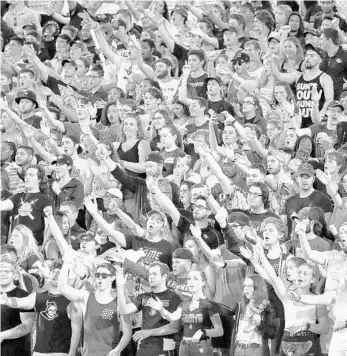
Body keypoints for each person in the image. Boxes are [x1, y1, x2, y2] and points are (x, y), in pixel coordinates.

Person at [0, 259, 83, 356]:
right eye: (53, 271)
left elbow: (77, 332)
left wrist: (71, 354)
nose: (56, 274)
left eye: (59, 272)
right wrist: (7, 300)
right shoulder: (38, 296)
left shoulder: (72, 302)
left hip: (61, 353)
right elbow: (21, 302)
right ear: (48, 273)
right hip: (39, 353)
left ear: (67, 276)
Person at [58, 255, 132, 356]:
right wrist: (66, 262)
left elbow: (127, 333)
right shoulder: (87, 296)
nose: (100, 278)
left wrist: (118, 349)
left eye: (104, 276)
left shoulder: (119, 302)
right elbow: (62, 288)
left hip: (108, 353)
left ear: (112, 278)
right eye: (97, 275)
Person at [144, 268, 224, 356]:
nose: (191, 282)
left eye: (195, 279)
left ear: (203, 282)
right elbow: (173, 318)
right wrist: (161, 309)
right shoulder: (184, 303)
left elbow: (219, 331)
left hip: (201, 346)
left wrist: (203, 332)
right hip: (184, 345)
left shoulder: (209, 305)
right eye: (189, 279)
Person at [117, 262, 182, 356]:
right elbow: (124, 310)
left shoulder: (173, 297)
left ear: (164, 276)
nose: (151, 277)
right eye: (150, 274)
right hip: (143, 348)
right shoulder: (144, 296)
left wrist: (149, 332)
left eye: (155, 274)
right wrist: (120, 286)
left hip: (162, 349)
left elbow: (175, 327)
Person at [0, 257, 36, 356]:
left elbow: (27, 326)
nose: (2, 274)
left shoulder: (23, 295)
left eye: (6, 271)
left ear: (15, 275)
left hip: (17, 351)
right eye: (0, 271)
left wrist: (2, 335)